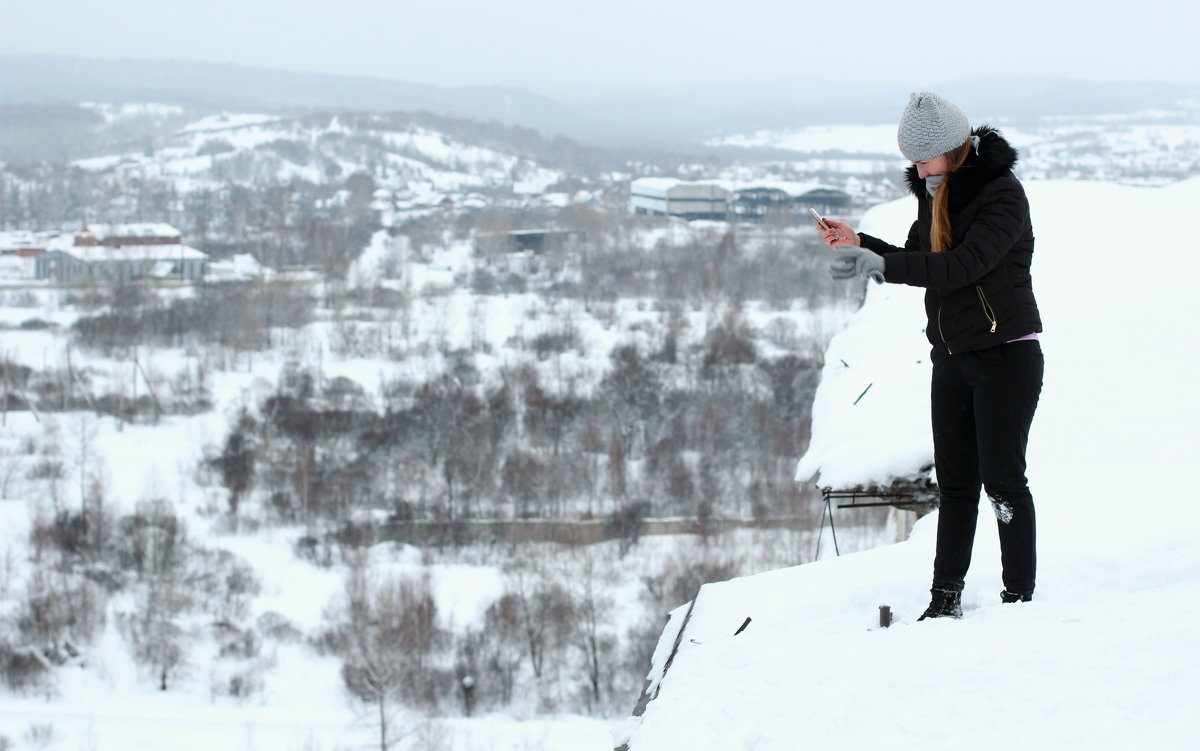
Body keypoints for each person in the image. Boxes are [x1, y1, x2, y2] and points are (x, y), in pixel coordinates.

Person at [819, 92, 1044, 619]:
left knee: (1004, 480)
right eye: (913, 163)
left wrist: (880, 263)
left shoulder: (1002, 196)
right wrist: (861, 244)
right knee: (957, 483)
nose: (916, 171)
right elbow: (918, 259)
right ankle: (944, 600)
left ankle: (1020, 601)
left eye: (923, 160)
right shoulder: (935, 193)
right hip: (952, 357)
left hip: (1006, 355)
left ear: (953, 149)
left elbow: (963, 266)